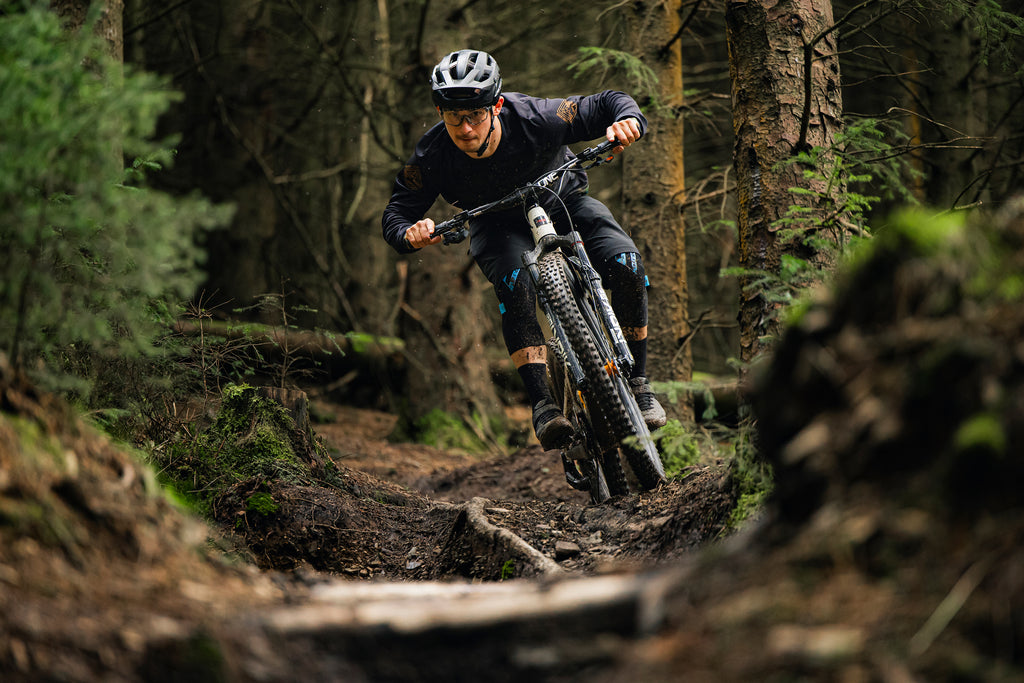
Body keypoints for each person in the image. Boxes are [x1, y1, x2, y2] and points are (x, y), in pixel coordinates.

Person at [382, 49, 666, 450]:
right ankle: (543, 405)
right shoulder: (432, 155)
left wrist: (628, 122)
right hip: (495, 226)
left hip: (563, 202)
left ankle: (638, 379)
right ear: (439, 110)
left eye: (475, 115)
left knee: (626, 262)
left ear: (496, 106)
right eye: (452, 117)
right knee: (515, 284)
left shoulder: (538, 117)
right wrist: (410, 232)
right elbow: (396, 213)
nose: (464, 129)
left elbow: (607, 102)